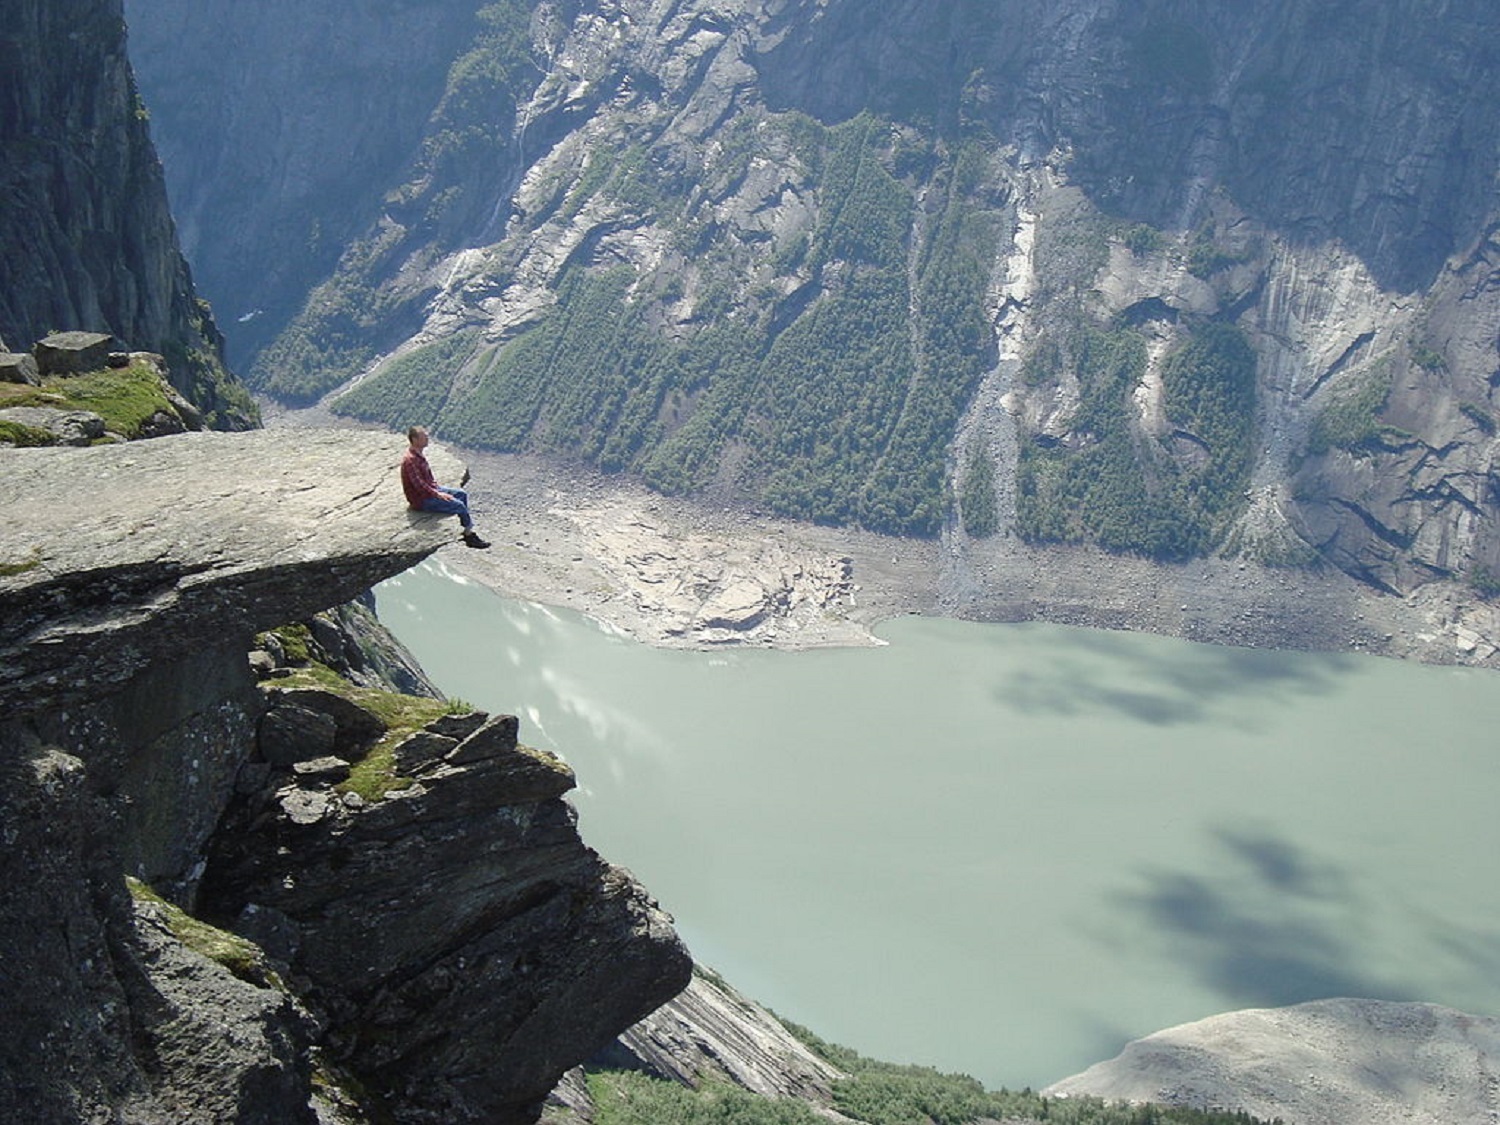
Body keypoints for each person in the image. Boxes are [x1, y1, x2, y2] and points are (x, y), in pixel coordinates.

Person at [401, 425, 490, 548]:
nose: (427, 438)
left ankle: (463, 526)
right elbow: (418, 485)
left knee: (461, 494)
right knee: (459, 505)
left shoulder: (418, 455)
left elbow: (427, 479)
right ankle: (469, 535)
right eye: (424, 437)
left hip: (430, 491)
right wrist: (438, 494)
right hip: (421, 500)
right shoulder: (410, 460)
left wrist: (437, 488)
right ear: (415, 439)